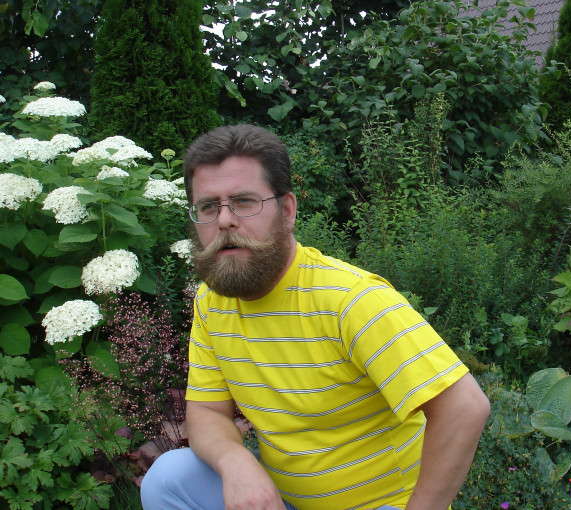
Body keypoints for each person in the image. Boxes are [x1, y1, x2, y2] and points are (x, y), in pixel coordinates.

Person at [140, 124, 491, 510]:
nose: (224, 220)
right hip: (285, 501)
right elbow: (206, 412)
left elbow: (464, 407)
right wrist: (236, 462)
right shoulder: (213, 302)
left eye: (243, 202)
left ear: (287, 211)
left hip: (382, 504)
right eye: (209, 207)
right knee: (168, 479)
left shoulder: (351, 301)